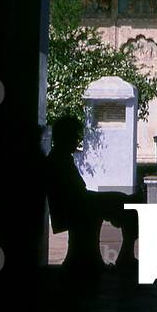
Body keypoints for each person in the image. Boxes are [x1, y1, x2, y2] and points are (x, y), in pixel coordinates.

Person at [45, 114, 142, 273]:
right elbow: (77, 196)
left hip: (77, 205)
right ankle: (126, 257)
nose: (77, 140)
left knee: (130, 202)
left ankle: (126, 256)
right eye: (75, 136)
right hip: (79, 207)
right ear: (66, 136)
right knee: (134, 203)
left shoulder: (59, 158)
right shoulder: (60, 160)